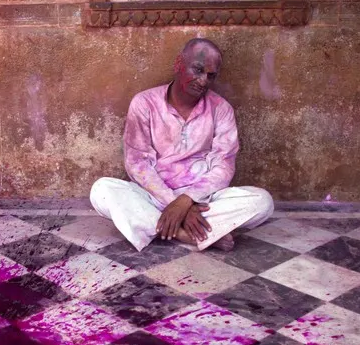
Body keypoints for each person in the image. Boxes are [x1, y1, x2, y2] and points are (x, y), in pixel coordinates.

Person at [90, 38, 274, 252]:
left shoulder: (221, 109)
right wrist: (173, 203)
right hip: (154, 196)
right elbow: (137, 164)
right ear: (178, 64)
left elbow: (224, 166)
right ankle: (186, 234)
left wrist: (187, 201)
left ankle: (159, 227)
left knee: (263, 202)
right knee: (102, 190)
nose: (203, 81)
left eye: (210, 75)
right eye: (197, 70)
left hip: (203, 200)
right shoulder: (145, 103)